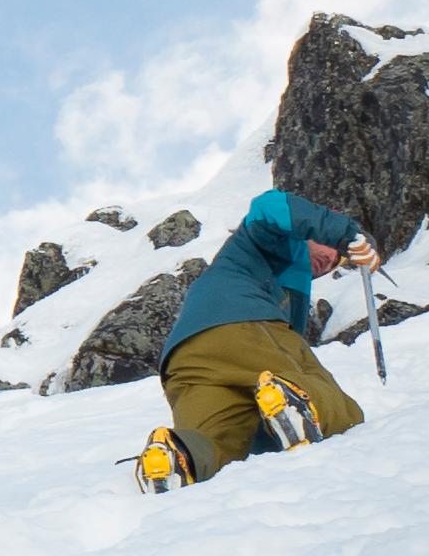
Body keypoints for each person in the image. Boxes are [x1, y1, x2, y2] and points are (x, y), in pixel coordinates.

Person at [137, 189, 379, 488]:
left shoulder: (280, 283)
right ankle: (296, 399)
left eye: (336, 262)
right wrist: (346, 234)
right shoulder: (276, 242)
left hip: (185, 359)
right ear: (310, 231)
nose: (331, 261)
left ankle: (174, 458)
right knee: (339, 408)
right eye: (330, 250)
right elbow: (271, 204)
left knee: (221, 441)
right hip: (244, 325)